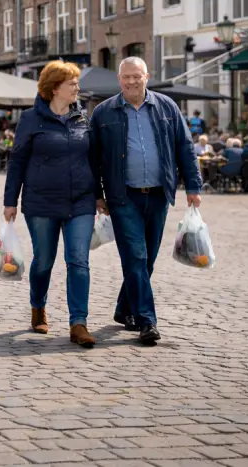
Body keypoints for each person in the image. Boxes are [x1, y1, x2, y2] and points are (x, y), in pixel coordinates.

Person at [89, 57, 202, 346]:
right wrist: (98, 194)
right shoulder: (104, 112)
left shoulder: (167, 107)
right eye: (126, 77)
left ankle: (123, 308)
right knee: (135, 256)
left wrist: (193, 184)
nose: (131, 82)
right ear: (119, 79)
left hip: (158, 194)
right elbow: (93, 158)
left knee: (147, 259)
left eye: (136, 76)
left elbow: (185, 147)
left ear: (147, 76)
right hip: (123, 196)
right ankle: (146, 321)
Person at [3, 61, 97, 348]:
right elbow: (17, 160)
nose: (77, 89)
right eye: (72, 84)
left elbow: (94, 160)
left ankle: (78, 323)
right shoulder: (31, 119)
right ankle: (38, 307)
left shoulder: (82, 118)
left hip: (80, 201)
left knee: (78, 260)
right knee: (43, 260)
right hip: (40, 202)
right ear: (55, 88)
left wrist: (101, 194)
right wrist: (10, 201)